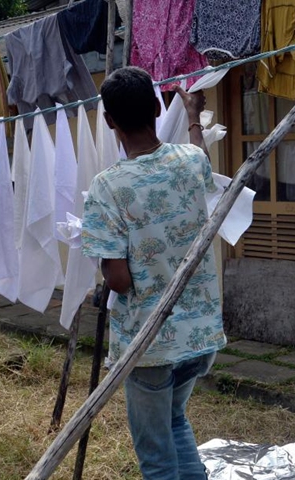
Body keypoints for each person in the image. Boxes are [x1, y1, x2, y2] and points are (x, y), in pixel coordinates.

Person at [81, 66, 227, 480]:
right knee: (175, 422)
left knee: (157, 457)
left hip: (150, 344)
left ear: (110, 121)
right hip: (199, 334)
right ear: (156, 107)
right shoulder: (190, 161)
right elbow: (198, 149)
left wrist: (99, 254)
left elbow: (120, 281)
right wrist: (194, 114)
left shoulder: (107, 188)